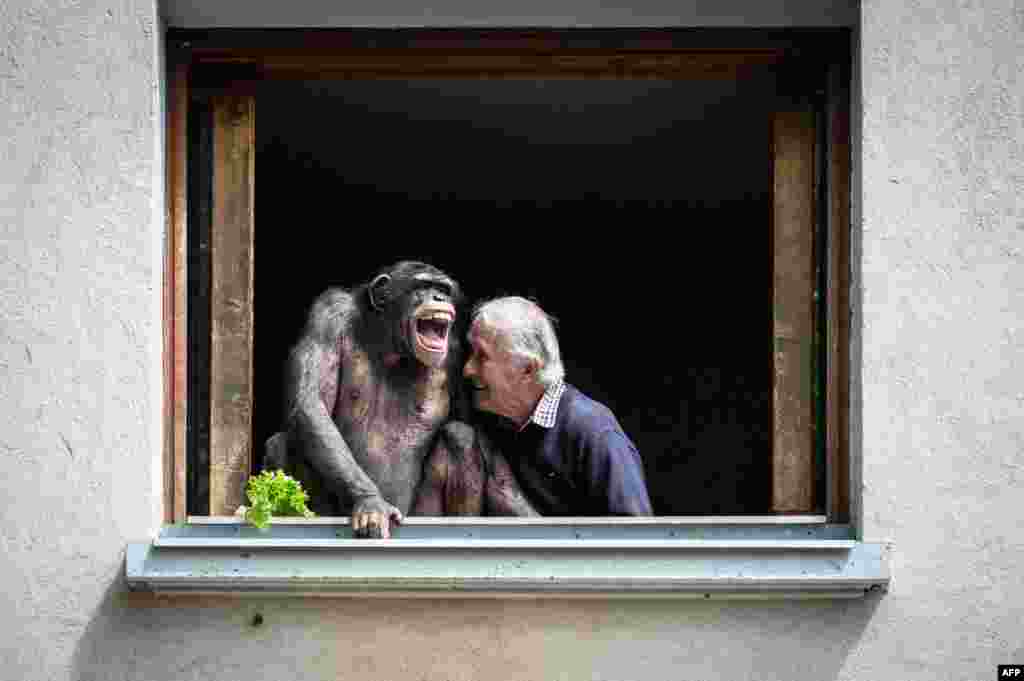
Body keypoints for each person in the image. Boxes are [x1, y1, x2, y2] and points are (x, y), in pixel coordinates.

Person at [462, 296, 653, 516]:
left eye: (482, 356)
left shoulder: (594, 433)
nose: (468, 369)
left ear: (527, 369)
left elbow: (635, 541)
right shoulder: (495, 420)